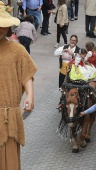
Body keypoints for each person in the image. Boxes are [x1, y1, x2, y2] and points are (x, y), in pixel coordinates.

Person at [0, 2, 37, 170]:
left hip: (8, 118)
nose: (0, 28)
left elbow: (27, 74)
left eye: (3, 25)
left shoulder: (17, 50)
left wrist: (30, 95)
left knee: (9, 161)